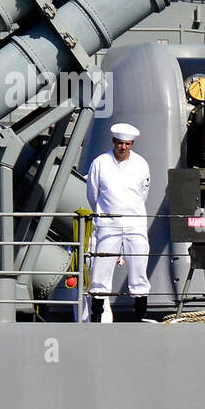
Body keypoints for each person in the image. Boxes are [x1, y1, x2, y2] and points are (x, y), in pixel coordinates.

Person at [86, 123, 151, 322]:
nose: (123, 147)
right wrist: (105, 214)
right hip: (108, 222)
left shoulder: (141, 164)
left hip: (135, 222)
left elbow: (143, 193)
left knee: (139, 266)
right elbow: (92, 194)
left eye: (127, 144)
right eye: (120, 143)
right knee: (101, 268)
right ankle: (96, 314)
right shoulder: (100, 163)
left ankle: (140, 313)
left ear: (131, 144)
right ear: (113, 142)